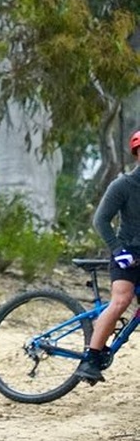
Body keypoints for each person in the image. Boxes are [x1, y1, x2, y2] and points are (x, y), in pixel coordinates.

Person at [77, 130, 140, 383]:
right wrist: (118, 250)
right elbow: (101, 220)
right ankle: (90, 358)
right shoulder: (123, 185)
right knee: (121, 299)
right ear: (137, 154)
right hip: (126, 252)